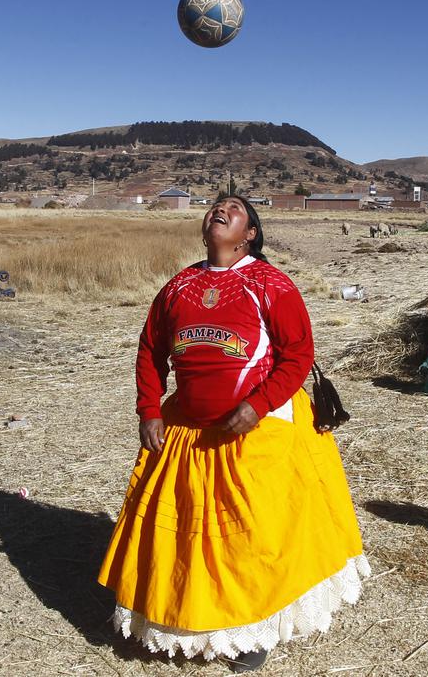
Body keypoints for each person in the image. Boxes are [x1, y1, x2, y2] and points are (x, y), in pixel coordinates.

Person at [98, 194, 369, 672]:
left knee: (252, 532)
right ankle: (188, 613)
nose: (220, 211)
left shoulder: (270, 284)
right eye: (216, 207)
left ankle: (254, 628)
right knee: (189, 533)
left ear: (250, 234)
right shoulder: (179, 287)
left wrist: (258, 404)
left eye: (235, 209)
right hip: (188, 431)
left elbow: (298, 354)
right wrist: (149, 410)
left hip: (259, 428)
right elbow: (150, 351)